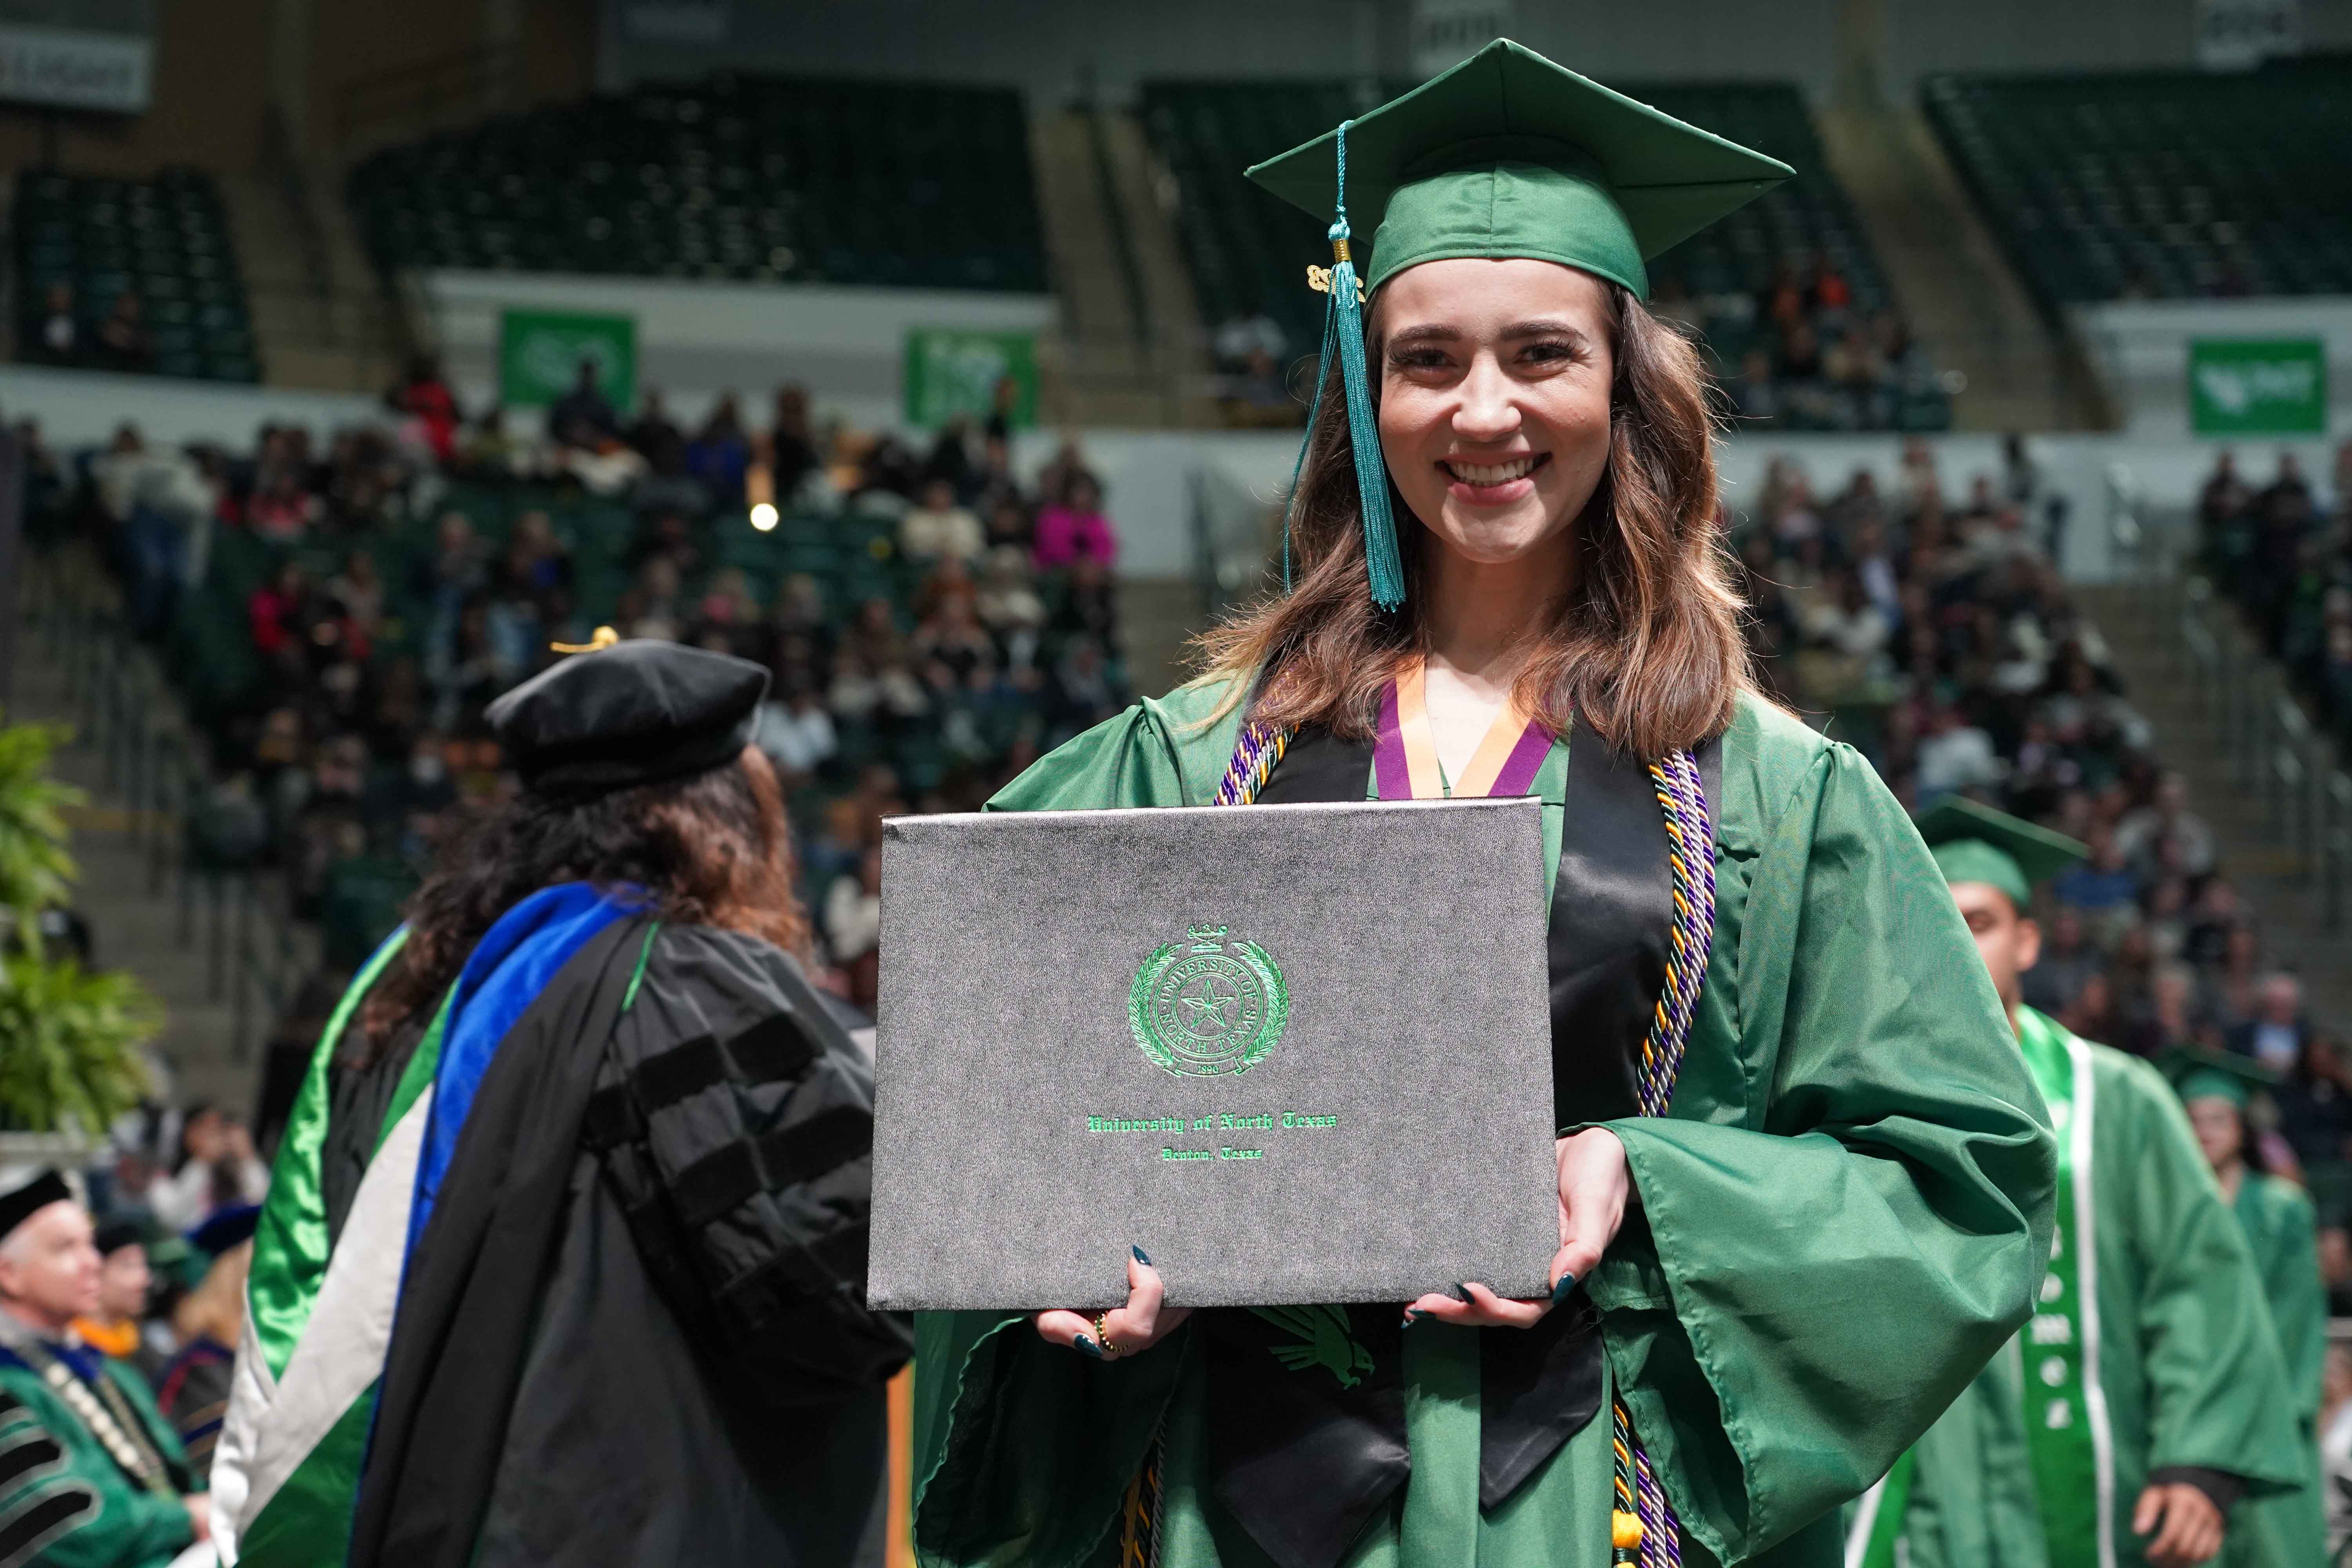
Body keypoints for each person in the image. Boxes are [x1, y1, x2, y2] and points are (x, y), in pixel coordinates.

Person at [913, 41, 2056, 1568]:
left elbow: (1956, 1179)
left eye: (1542, 354)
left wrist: (1645, 1176)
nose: (1485, 409)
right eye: (1430, 358)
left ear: (1627, 387)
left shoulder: (1778, 797)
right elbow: (989, 1130)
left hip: (1586, 1499)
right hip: (1221, 1497)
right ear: (1364, 390)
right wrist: (1077, 1264)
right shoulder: (1180, 765)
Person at [210, 637, 911, 1566]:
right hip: (637, 1522)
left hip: (449, 1520)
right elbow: (843, 1302)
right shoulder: (684, 982)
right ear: (725, 821)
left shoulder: (406, 1000)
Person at [1849, 799, 2305, 1568]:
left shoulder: (2118, 1098)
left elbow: (2195, 1280)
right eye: (1936, 917)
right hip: (1923, 1491)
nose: (1959, 940)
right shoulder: (1854, 1100)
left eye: (1983, 920)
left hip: (2090, 1483)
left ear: (2028, 941)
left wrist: (2196, 1458)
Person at [2169, 1052, 2330, 1568]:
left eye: (2220, 1120)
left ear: (2242, 1127)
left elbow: (2296, 1317)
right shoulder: (2168, 1214)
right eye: (2194, 1121)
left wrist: (2249, 1395)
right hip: (2189, 1418)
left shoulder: (2284, 1209)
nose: (2207, 1133)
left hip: (2269, 1416)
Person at [0, 1171, 209, 1566]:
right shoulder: (8, 1382)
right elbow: (66, 1535)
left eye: (90, 1245)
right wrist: (187, 1518)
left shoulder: (110, 1368)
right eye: (65, 1248)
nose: (93, 1262)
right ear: (8, 1273)